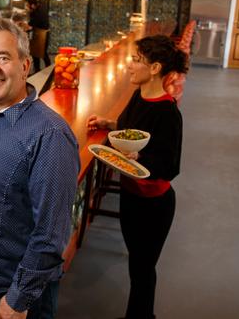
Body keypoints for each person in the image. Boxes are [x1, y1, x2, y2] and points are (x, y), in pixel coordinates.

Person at [0, 16, 80, 319]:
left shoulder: (49, 135)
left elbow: (51, 234)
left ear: (25, 65)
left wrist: (18, 298)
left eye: (3, 58)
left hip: (13, 296)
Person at [86, 35, 186, 319]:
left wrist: (141, 158)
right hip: (131, 195)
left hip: (154, 205)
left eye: (136, 60)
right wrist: (110, 124)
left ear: (154, 68)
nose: (130, 65)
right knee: (136, 265)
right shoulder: (139, 95)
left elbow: (170, 165)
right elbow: (134, 130)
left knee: (143, 269)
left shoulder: (168, 112)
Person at [25, 0, 51, 72]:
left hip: (43, 34)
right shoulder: (37, 9)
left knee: (42, 53)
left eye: (27, 5)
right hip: (38, 33)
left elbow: (34, 22)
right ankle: (38, 70)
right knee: (35, 53)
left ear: (32, 5)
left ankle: (48, 70)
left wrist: (28, 25)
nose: (26, 7)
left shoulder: (39, 12)